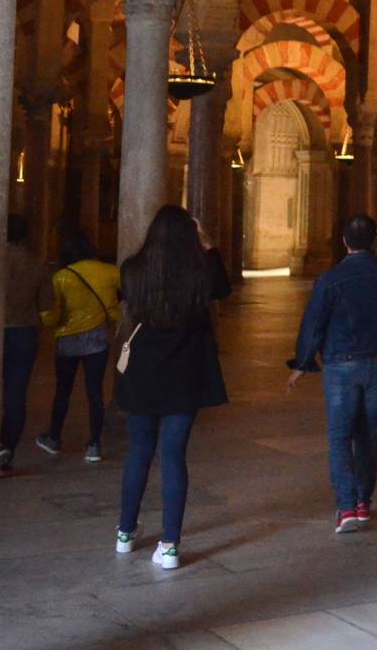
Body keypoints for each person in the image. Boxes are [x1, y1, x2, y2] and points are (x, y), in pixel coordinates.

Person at [285, 213, 377, 533]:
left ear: (344, 242)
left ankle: (346, 507)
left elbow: (314, 324)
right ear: (375, 240)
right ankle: (363, 503)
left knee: (339, 436)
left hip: (342, 364)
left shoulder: (330, 280)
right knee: (367, 434)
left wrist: (303, 363)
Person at [112, 207, 231, 570]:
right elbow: (223, 289)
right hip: (184, 372)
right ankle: (169, 545)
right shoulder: (199, 273)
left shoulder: (132, 269)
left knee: (138, 451)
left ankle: (125, 533)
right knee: (173, 455)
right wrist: (209, 246)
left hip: (143, 373)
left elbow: (128, 303)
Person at [38, 229, 121, 462]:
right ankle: (94, 444)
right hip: (97, 339)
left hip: (68, 341)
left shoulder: (61, 277)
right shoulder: (108, 271)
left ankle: (54, 437)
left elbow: (52, 316)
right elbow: (126, 286)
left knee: (62, 391)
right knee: (95, 393)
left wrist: (45, 318)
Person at [0, 215, 52, 473]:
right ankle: (7, 447)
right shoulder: (37, 263)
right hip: (25, 332)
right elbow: (46, 304)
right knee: (16, 393)